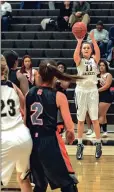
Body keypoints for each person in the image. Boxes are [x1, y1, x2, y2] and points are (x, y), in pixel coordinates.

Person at [25, 60, 80, 192]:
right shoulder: (59, 96)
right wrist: (70, 136)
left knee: (40, 185)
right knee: (68, 183)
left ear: (38, 75)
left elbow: (25, 121)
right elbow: (69, 127)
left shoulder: (29, 93)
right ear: (55, 77)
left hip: (32, 142)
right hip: (50, 141)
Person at [1, 55, 33, 191]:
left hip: (4, 139)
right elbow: (25, 103)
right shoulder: (12, 86)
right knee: (22, 178)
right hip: (23, 137)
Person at [74, 31, 102, 160]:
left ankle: (98, 143)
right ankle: (79, 144)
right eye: (84, 48)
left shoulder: (94, 60)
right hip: (81, 90)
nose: (86, 49)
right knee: (80, 120)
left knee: (94, 119)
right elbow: (75, 55)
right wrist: (79, 41)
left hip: (92, 90)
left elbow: (98, 52)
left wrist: (93, 40)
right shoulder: (79, 61)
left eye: (88, 48)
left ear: (91, 51)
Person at [98, 60, 113, 138]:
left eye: (103, 65)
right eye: (100, 65)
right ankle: (105, 131)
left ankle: (96, 132)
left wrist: (96, 90)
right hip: (98, 96)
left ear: (106, 66)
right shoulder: (97, 75)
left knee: (100, 114)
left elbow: (107, 86)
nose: (101, 66)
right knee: (103, 115)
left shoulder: (108, 75)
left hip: (106, 96)